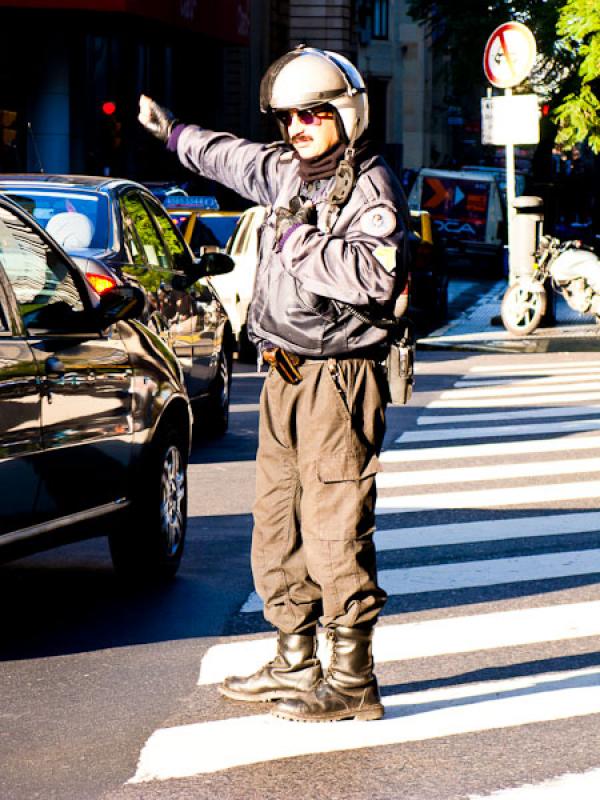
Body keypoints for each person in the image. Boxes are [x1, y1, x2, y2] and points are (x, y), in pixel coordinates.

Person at [138, 45, 410, 723]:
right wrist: (173, 132)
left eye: (312, 113)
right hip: (284, 373)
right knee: (278, 526)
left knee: (334, 526)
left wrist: (292, 242)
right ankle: (295, 659)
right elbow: (229, 156)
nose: (298, 126)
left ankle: (352, 681)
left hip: (338, 377)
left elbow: (374, 276)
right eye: (289, 116)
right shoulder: (290, 171)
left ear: (347, 113)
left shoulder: (369, 185)